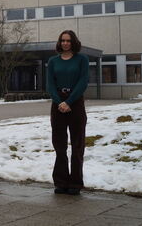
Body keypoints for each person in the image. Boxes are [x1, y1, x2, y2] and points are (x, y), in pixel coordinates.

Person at [46, 30, 89, 195]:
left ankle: (75, 183)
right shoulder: (53, 61)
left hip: (75, 103)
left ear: (74, 42)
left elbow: (83, 81)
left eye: (68, 41)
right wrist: (59, 102)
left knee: (77, 145)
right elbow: (50, 84)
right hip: (58, 105)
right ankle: (61, 182)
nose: (65, 43)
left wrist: (69, 101)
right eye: (62, 40)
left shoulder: (81, 60)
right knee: (59, 144)